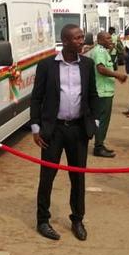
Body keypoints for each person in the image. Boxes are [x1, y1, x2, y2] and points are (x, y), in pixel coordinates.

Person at [31, 24, 98, 241]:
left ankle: (77, 219)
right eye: (77, 38)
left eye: (81, 37)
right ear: (66, 41)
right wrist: (36, 127)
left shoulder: (87, 65)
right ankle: (43, 220)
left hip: (78, 130)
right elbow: (37, 97)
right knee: (47, 177)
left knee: (78, 177)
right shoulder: (47, 66)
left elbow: (93, 95)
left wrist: (94, 122)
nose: (82, 41)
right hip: (53, 130)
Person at [91, 31, 127, 158]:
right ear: (100, 40)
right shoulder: (100, 52)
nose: (111, 40)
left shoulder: (102, 50)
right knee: (102, 120)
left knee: (102, 120)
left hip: (105, 91)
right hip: (103, 92)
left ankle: (100, 144)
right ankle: (98, 147)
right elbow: (100, 69)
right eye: (107, 38)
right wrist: (118, 75)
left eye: (110, 38)